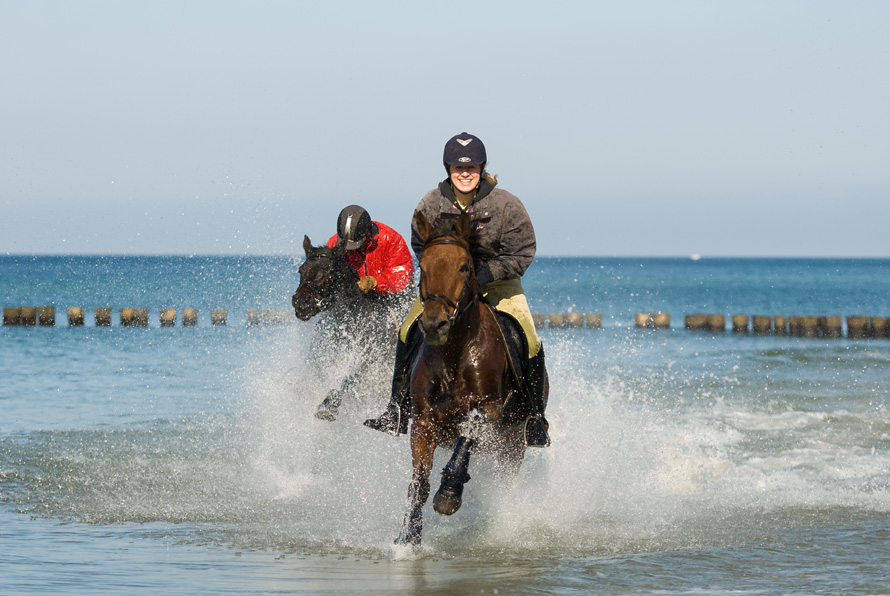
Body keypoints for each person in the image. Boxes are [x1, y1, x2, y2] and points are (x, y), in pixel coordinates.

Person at [363, 132, 551, 447]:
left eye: (472, 167)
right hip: (448, 286)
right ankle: (395, 408)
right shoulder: (431, 202)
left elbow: (523, 251)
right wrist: (446, 272)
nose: (465, 173)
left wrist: (484, 272)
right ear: (448, 168)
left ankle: (534, 417)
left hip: (498, 283)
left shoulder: (506, 204)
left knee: (528, 337)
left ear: (481, 168)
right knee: (409, 329)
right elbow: (422, 245)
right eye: (457, 167)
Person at [326, 205, 414, 298]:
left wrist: (374, 282)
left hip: (391, 297)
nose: (350, 249)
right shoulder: (334, 244)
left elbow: (401, 277)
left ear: (368, 232)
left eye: (356, 243)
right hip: (355, 299)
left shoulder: (392, 240)